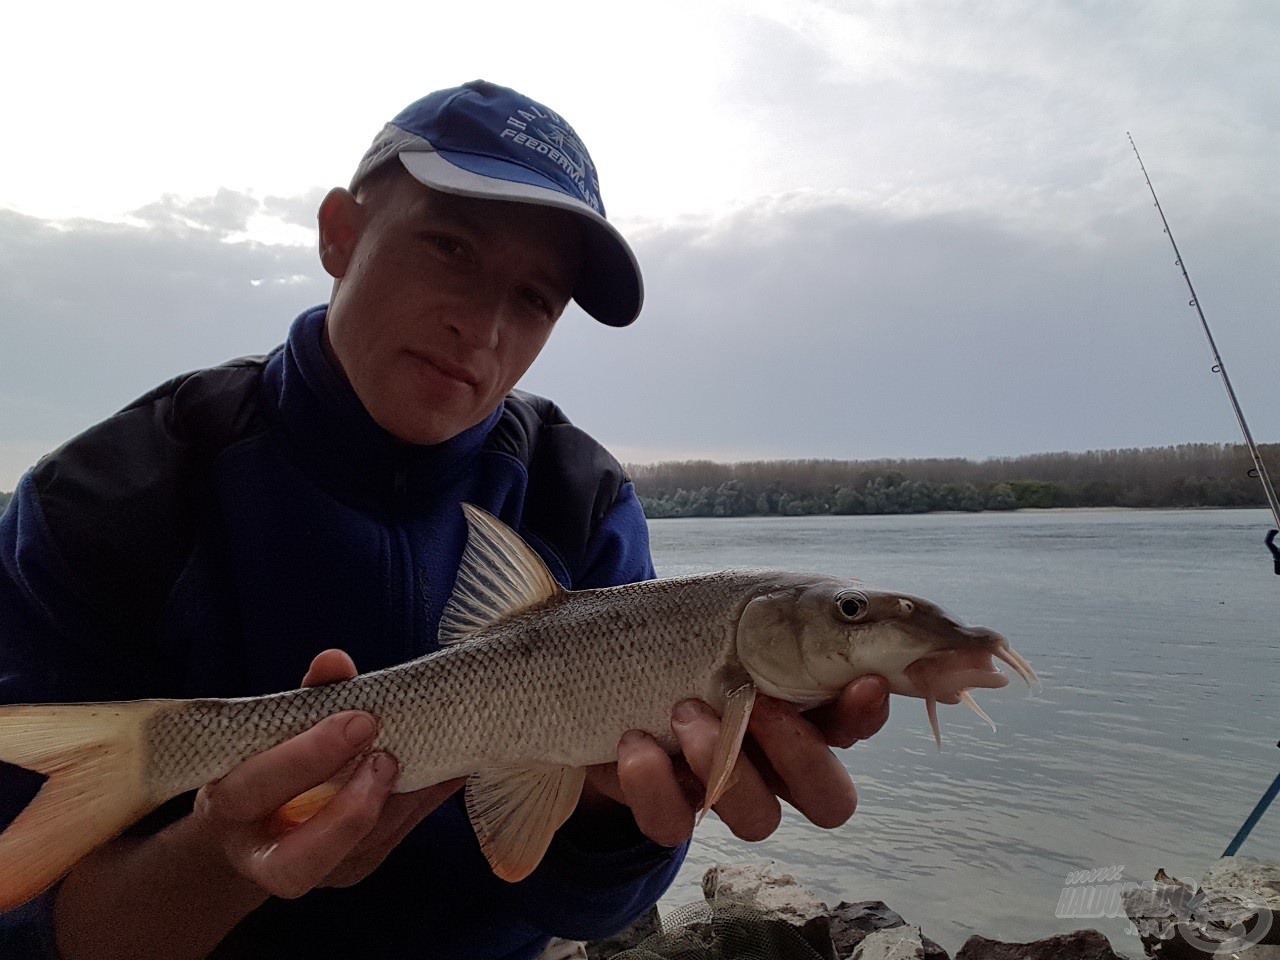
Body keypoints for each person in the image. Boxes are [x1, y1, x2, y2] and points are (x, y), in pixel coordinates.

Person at [0, 80, 891, 959]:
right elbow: (33, 931)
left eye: (536, 299)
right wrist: (230, 857)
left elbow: (582, 904)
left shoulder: (578, 496)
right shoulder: (106, 499)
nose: (483, 326)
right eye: (451, 248)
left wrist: (611, 816)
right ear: (340, 234)